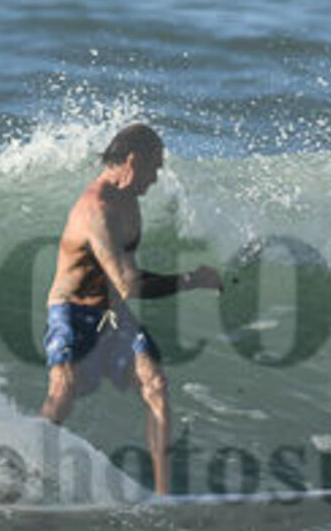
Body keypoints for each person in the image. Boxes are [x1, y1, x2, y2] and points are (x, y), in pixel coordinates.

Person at [40, 123, 222, 496]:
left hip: (112, 313)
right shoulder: (96, 209)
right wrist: (192, 280)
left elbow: (122, 282)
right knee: (64, 388)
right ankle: (22, 474)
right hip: (71, 311)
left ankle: (162, 496)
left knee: (155, 383)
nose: (155, 178)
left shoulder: (129, 202)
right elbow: (129, 283)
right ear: (133, 161)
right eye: (154, 168)